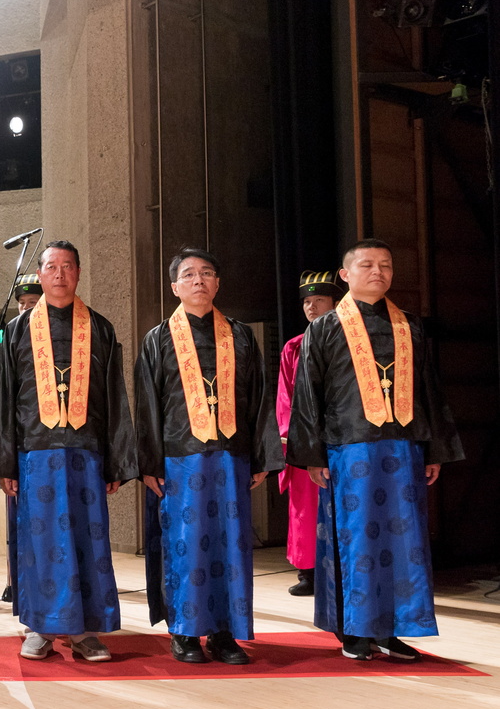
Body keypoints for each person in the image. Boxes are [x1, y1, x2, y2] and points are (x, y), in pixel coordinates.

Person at [288, 240, 463, 661]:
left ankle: (394, 627)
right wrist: (312, 454)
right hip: (350, 451)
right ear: (345, 275)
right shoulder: (326, 327)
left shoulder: (409, 327)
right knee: (356, 539)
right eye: (366, 265)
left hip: (402, 451)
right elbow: (306, 393)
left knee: (405, 541)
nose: (378, 272)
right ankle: (354, 630)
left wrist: (434, 448)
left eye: (385, 265)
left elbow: (429, 391)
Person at [0, 240, 137, 663]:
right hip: (35, 455)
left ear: (78, 273)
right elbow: (5, 401)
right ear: (42, 273)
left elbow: (114, 398)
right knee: (39, 542)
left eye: (68, 266)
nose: (60, 274)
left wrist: (117, 460)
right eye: (52, 266)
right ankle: (40, 628)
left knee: (88, 540)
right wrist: (5, 462)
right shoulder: (17, 331)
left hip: (86, 454)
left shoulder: (100, 329)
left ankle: (86, 632)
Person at [134, 249, 281, 664]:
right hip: (181, 461)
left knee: (230, 546)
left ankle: (224, 633)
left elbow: (259, 398)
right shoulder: (159, 338)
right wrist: (149, 464)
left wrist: (260, 457)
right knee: (186, 546)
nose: (199, 280)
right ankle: (183, 631)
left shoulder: (240, 335)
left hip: (231, 459)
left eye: (207, 273)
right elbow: (146, 405)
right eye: (189, 274)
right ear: (174, 287)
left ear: (217, 284)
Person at [278, 271, 340, 596]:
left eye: (319, 300)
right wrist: (290, 436)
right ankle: (309, 573)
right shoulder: (294, 347)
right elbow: (285, 396)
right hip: (306, 436)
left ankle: (339, 573)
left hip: (341, 435)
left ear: (335, 303)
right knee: (305, 506)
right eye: (306, 302)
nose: (311, 307)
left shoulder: (347, 343)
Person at [0, 274, 43, 604]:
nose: (26, 310)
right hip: (23, 447)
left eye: (33, 304)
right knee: (19, 522)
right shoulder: (14, 336)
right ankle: (16, 581)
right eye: (22, 305)